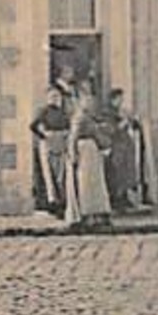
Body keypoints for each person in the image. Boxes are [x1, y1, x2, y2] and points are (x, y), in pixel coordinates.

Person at [64, 88, 113, 228]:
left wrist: (103, 145)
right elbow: (73, 137)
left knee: (94, 183)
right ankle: (86, 214)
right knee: (85, 183)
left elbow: (97, 133)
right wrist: (73, 154)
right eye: (86, 100)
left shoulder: (90, 117)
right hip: (84, 151)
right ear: (80, 102)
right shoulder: (79, 117)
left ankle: (96, 212)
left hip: (92, 152)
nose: (89, 103)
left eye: (91, 101)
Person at [30, 86, 70, 215]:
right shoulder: (43, 111)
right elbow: (33, 125)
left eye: (57, 96)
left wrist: (65, 134)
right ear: (47, 98)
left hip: (61, 143)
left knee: (61, 174)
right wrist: (45, 135)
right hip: (48, 143)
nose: (55, 99)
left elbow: (69, 125)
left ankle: (62, 201)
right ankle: (51, 202)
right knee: (49, 174)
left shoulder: (63, 113)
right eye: (52, 96)